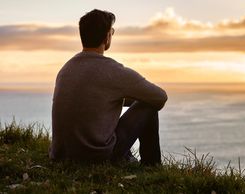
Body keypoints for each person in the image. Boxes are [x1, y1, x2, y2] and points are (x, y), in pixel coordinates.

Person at [49, 9, 167, 166]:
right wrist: (129, 99)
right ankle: (152, 166)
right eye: (112, 31)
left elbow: (92, 98)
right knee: (148, 105)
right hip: (97, 157)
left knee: (135, 101)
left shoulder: (66, 68)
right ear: (107, 36)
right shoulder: (114, 71)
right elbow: (160, 97)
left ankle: (129, 158)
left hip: (61, 155)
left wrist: (118, 99)